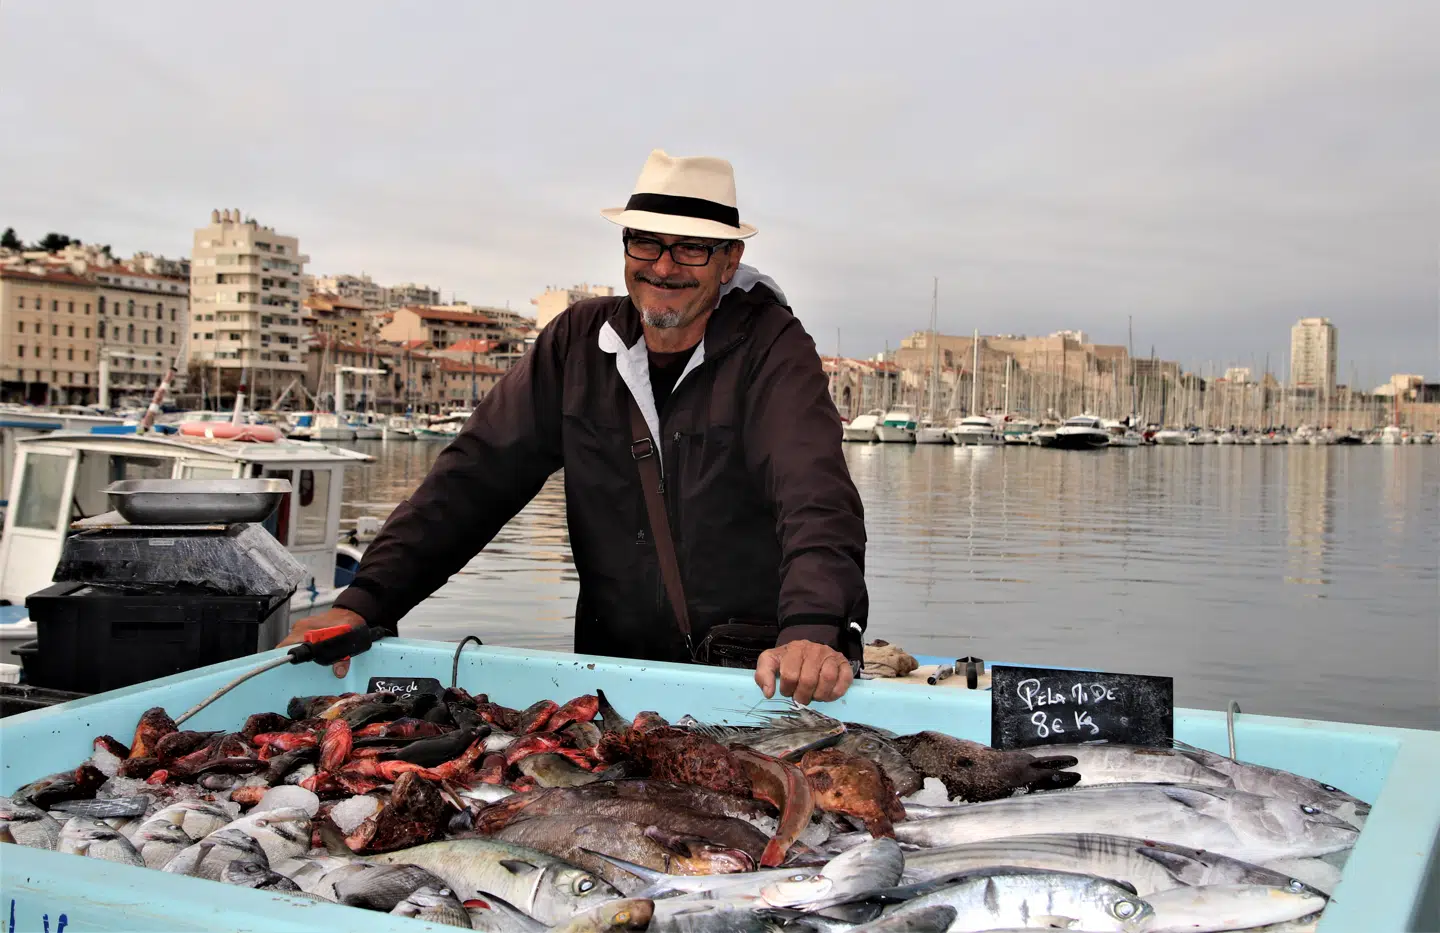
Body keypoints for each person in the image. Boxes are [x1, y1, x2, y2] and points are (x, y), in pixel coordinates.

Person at [280, 150, 868, 704]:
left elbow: (812, 491)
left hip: (757, 677)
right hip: (617, 678)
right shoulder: (575, 343)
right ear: (625, 246)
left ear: (728, 261)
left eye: (691, 249)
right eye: (646, 243)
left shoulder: (773, 347)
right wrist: (365, 601)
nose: (663, 267)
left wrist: (813, 627)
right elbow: (473, 480)